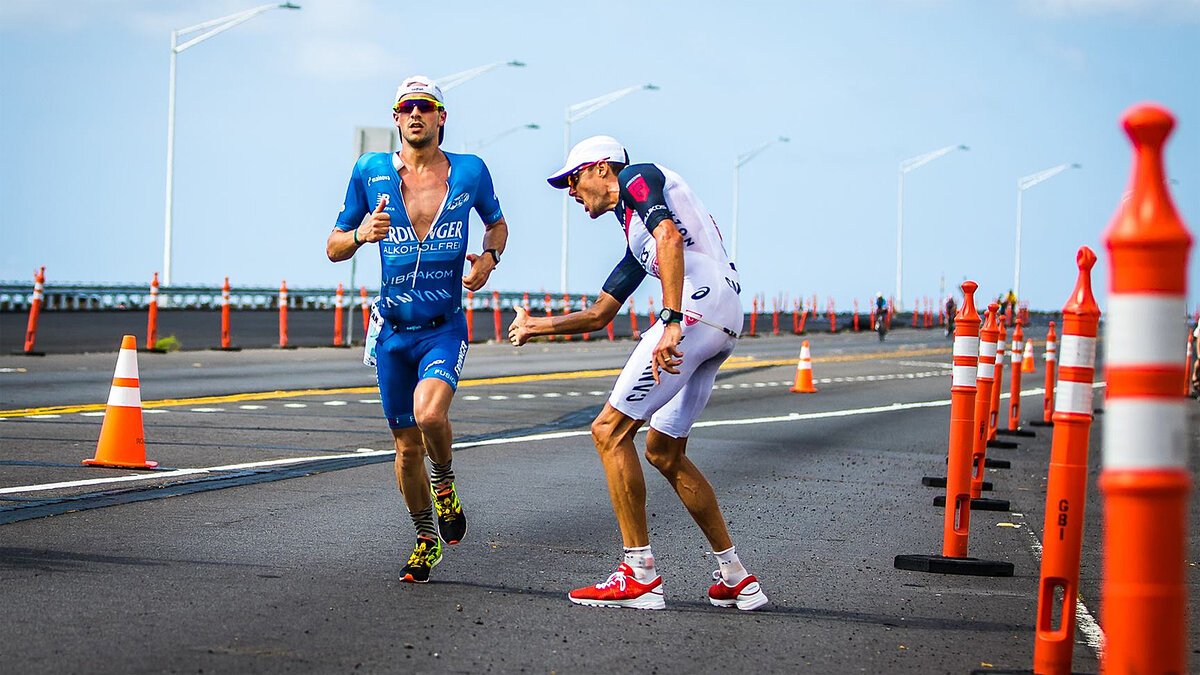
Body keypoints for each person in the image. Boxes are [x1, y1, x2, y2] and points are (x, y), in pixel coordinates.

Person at [508, 135, 768, 611]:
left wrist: (671, 320)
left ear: (601, 168)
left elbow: (669, 236)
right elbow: (600, 314)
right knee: (664, 452)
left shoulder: (636, 177)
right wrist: (535, 326)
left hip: (696, 311)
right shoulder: (634, 234)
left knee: (608, 431)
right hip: (723, 316)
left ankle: (639, 575)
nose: (571, 192)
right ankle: (735, 575)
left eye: (573, 179)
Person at [326, 75, 508, 583]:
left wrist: (488, 260)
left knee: (430, 415)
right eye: (406, 107)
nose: (414, 114)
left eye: (424, 107)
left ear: (441, 117)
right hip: (392, 334)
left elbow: (497, 224)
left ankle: (444, 481)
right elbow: (333, 246)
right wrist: (361, 234)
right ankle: (426, 539)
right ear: (395, 118)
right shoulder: (370, 171)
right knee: (406, 448)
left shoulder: (470, 171)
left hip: (442, 327)